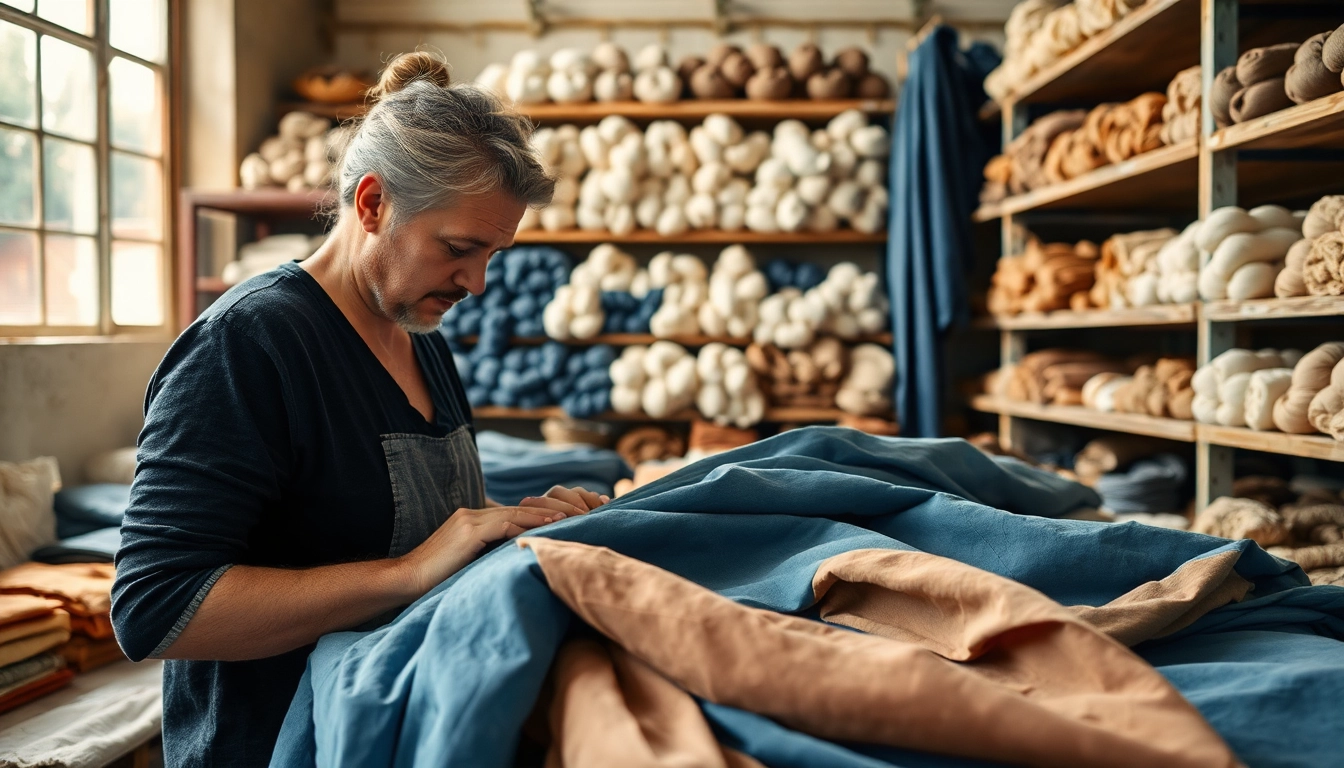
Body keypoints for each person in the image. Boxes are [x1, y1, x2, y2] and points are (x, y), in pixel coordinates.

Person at [110, 52, 601, 766]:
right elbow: (154, 608)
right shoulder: (249, 345)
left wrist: (518, 525)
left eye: (492, 254)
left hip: (389, 733)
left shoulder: (414, 329)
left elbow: (388, 516)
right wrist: (411, 572)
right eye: (460, 249)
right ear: (372, 204)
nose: (479, 283)